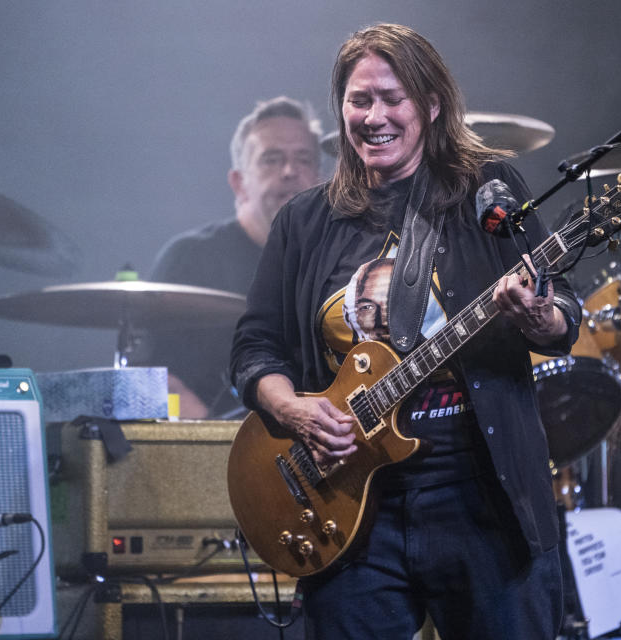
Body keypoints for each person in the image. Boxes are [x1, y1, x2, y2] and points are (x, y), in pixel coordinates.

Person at [230, 24, 582, 639]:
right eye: (359, 100)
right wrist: (294, 409)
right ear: (340, 109)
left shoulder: (485, 193)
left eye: (393, 99)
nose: (375, 116)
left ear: (431, 106)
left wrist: (539, 315)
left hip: (480, 496)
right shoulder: (305, 221)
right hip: (348, 504)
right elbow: (255, 345)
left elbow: (563, 315)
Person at [135, 97, 322, 418]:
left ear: (320, 176)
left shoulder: (334, 258)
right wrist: (217, 447)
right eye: (271, 159)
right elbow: (160, 380)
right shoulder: (192, 256)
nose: (290, 171)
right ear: (239, 183)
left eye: (303, 159)